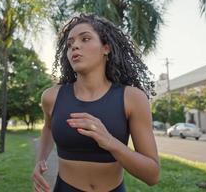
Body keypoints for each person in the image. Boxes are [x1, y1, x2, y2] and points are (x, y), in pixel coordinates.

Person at [32, 14, 159, 192]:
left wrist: (110, 141)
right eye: (70, 44)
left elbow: (152, 175)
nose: (74, 46)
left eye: (85, 39)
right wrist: (41, 159)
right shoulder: (52, 97)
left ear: (106, 48)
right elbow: (48, 128)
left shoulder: (132, 98)